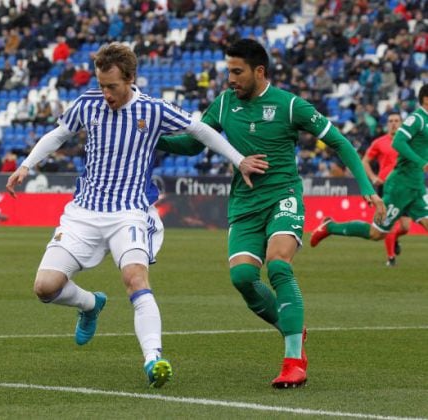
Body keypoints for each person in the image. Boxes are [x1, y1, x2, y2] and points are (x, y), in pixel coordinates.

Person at [6, 42, 267, 389]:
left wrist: (238, 160)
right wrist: (26, 164)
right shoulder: (88, 104)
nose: (106, 93)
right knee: (45, 287)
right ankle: (89, 305)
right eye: (101, 85)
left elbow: (201, 130)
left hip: (128, 213)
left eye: (112, 86)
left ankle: (153, 358)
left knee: (135, 280)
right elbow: (59, 133)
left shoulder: (154, 110)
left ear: (130, 79)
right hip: (83, 212)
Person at [157, 38, 385, 389]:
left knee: (278, 264)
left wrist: (366, 186)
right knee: (243, 279)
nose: (230, 79)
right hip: (245, 205)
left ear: (258, 71)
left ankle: (294, 360)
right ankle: (292, 325)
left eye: (237, 71)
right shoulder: (223, 104)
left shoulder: (290, 105)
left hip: (283, 197)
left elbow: (338, 141)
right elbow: (190, 144)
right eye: (228, 71)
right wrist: (149, 136)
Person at [312, 85, 428, 261]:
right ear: (426, 99)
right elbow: (398, 142)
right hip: (400, 186)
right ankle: (330, 227)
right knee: (376, 233)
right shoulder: (417, 119)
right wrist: (422, 163)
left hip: (417, 186)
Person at [361, 112, 411, 266]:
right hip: (386, 186)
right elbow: (365, 161)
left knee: (405, 227)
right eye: (390, 121)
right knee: (387, 223)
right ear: (387, 124)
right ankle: (391, 258)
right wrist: (373, 177)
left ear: (401, 123)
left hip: (404, 187)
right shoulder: (379, 142)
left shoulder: (409, 142)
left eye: (396, 120)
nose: (394, 123)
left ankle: (395, 239)